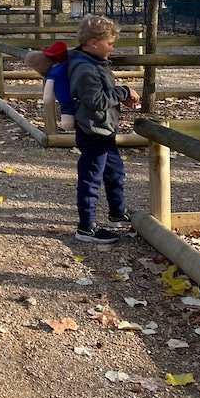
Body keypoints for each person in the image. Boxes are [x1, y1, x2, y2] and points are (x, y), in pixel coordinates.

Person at [67, 15, 140, 244]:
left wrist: (119, 96)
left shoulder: (95, 63)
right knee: (91, 178)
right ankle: (86, 227)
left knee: (115, 172)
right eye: (110, 43)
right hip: (93, 131)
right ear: (93, 43)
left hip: (104, 129)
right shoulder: (85, 68)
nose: (112, 47)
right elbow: (96, 100)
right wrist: (124, 91)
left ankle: (117, 213)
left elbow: (103, 95)